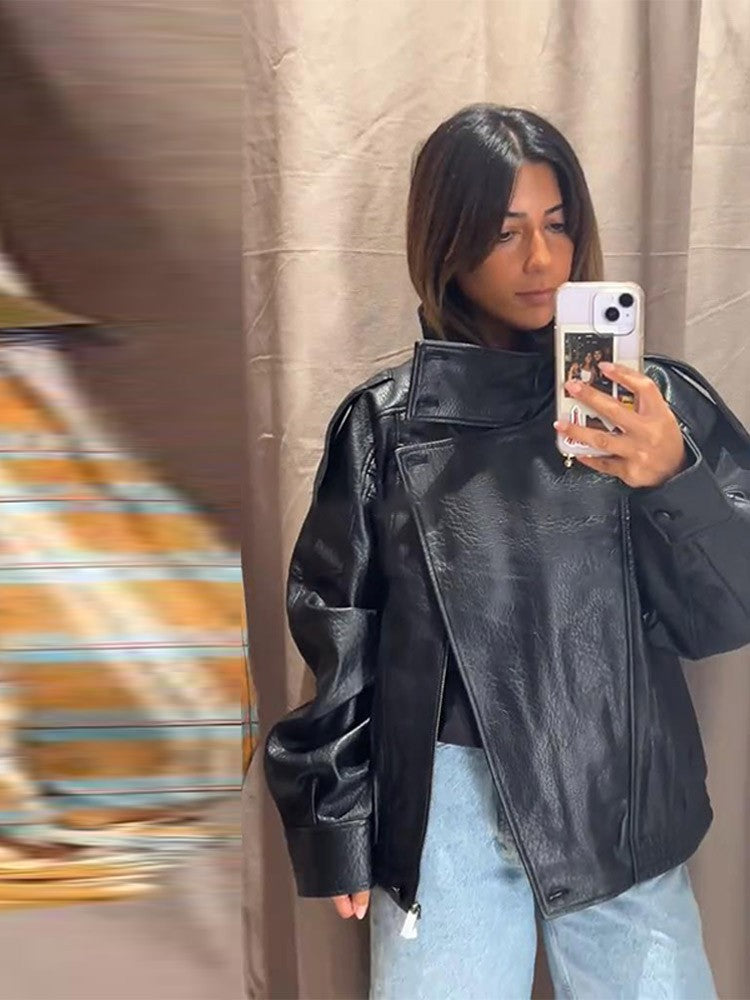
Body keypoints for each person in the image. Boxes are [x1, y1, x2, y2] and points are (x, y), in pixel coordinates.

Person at [263, 104, 750, 998]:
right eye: (503, 231)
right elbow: (340, 631)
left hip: (619, 792)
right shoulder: (386, 424)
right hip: (445, 797)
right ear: (447, 242)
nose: (540, 259)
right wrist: (334, 822)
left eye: (557, 225)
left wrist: (673, 477)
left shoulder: (652, 407)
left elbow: (730, 612)